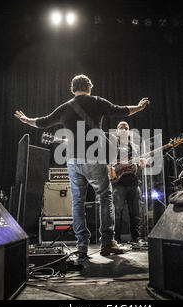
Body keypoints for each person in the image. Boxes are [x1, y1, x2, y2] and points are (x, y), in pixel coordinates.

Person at [15, 74, 149, 257]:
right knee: (105, 196)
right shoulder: (97, 101)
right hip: (94, 158)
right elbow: (123, 110)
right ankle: (108, 243)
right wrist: (140, 107)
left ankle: (81, 245)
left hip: (73, 161)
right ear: (90, 87)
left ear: (72, 89)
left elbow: (42, 122)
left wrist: (26, 120)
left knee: (78, 201)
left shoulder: (65, 107)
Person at [111, 121, 146, 244]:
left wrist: (141, 164)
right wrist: (116, 166)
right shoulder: (113, 146)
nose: (124, 129)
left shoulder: (135, 147)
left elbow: (138, 165)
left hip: (133, 183)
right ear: (117, 131)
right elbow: (109, 165)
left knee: (136, 213)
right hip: (119, 184)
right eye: (121, 127)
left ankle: (136, 238)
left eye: (126, 128)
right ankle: (116, 240)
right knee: (117, 213)